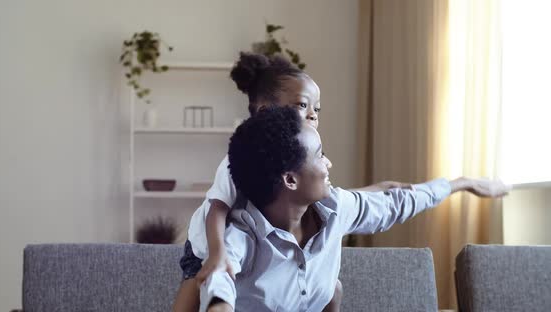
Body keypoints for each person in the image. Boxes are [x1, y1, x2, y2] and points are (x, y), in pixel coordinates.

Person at [202, 106, 510, 311]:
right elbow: (219, 285)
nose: (328, 163)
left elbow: (398, 202)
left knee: (334, 289)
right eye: (320, 155)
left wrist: (462, 183)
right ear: (291, 180)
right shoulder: (242, 235)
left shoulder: (337, 208)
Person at [174, 53, 408, 312]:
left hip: (253, 247)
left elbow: (330, 196)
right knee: (195, 292)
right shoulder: (243, 156)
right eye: (302, 105)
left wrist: (378, 189)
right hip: (208, 243)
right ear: (265, 112)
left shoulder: (300, 157)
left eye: (316, 110)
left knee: (333, 288)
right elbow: (217, 208)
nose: (312, 116)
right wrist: (217, 255)